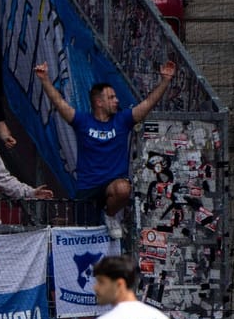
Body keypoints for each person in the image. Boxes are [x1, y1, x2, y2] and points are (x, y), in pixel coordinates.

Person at [35, 61, 175, 238]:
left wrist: (165, 81)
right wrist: (45, 80)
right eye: (111, 98)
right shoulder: (83, 121)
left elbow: (147, 104)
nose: (117, 101)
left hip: (113, 185)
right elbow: (59, 103)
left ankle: (110, 216)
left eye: (116, 97)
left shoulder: (122, 120)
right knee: (82, 238)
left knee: (124, 188)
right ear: (99, 102)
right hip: (88, 187)